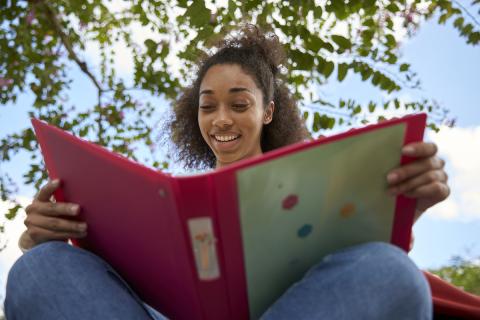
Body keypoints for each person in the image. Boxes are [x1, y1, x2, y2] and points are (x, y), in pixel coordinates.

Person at [5, 25, 450, 319]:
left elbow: (359, 276)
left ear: (268, 111)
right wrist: (38, 239)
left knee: (391, 271)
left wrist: (410, 205)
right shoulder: (160, 199)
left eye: (239, 104)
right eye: (208, 107)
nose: (221, 120)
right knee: (39, 268)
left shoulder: (322, 180)